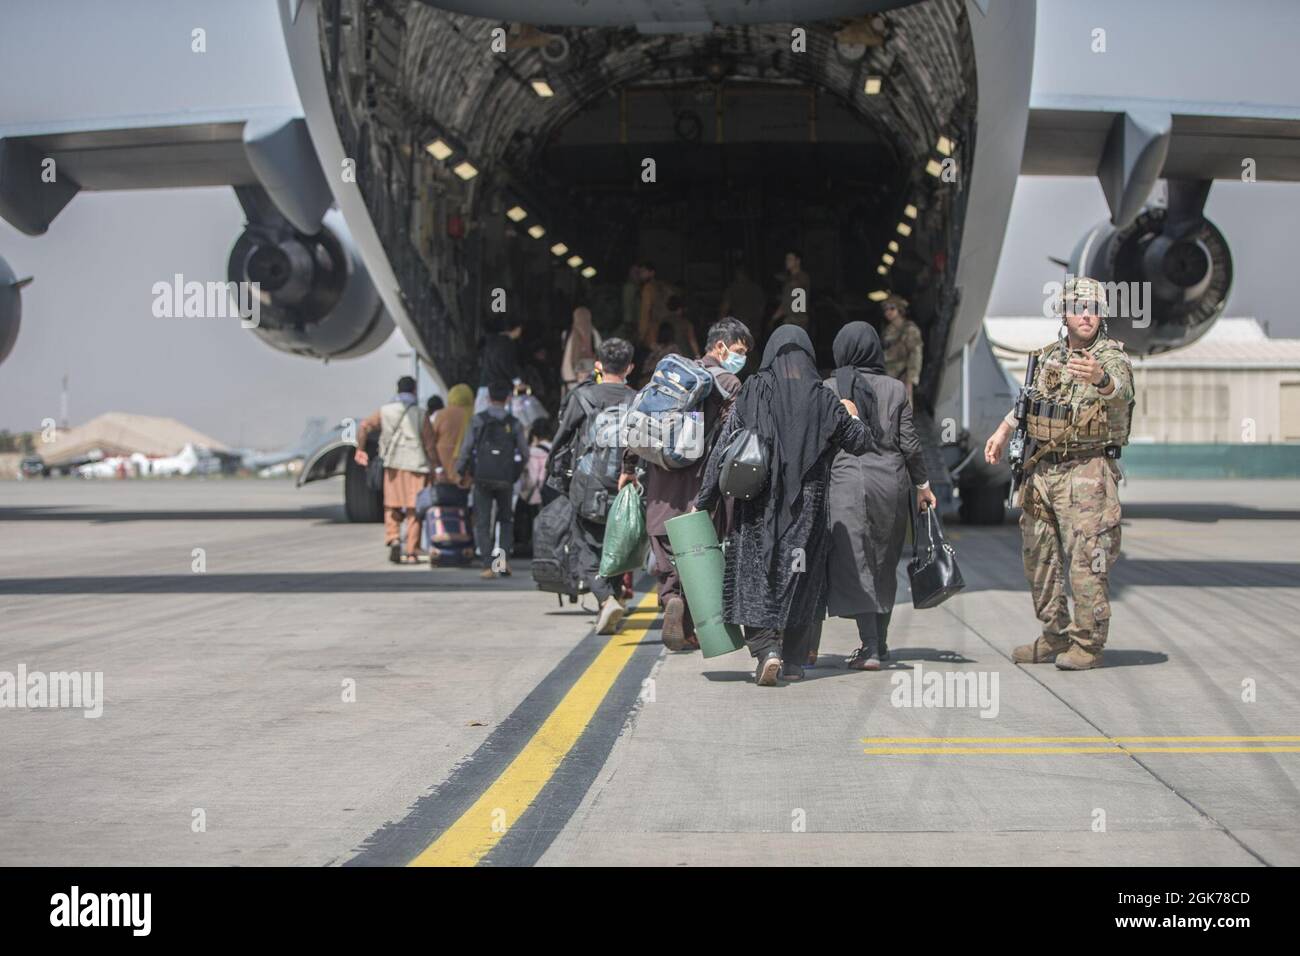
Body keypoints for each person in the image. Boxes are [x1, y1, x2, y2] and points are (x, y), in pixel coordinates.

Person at [694, 325, 869, 686]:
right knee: (801, 582)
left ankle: (764, 651)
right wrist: (850, 414)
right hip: (807, 509)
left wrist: (705, 500)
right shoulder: (823, 399)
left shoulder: (753, 391)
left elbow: (724, 449)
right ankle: (791, 661)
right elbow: (860, 443)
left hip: (757, 506)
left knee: (753, 579)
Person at [983, 275, 1134, 671]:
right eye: (1079, 308)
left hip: (1087, 472)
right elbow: (1028, 403)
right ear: (1064, 313)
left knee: (1087, 559)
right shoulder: (1049, 355)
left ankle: (1087, 644)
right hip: (1042, 472)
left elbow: (1120, 391)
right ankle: (1054, 635)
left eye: (1095, 309)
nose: (1087, 315)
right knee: (1040, 557)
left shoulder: (1110, 358)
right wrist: (1002, 432)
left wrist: (1099, 379)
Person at [619, 316, 753, 651]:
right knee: (698, 548)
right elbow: (732, 438)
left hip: (661, 479)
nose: (741, 357)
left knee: (664, 541)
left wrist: (629, 466)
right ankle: (688, 617)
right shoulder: (729, 384)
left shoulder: (672, 374)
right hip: (700, 483)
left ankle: (670, 599)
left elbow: (642, 418)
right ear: (719, 346)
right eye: (738, 350)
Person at [823, 322, 936, 671]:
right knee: (884, 562)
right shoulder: (896, 389)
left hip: (846, 482)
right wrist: (922, 485)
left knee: (855, 562)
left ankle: (870, 646)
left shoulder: (829, 387)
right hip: (892, 482)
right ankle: (881, 643)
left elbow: (821, 442)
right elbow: (910, 444)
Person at [550, 337, 638, 634]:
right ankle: (610, 599)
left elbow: (562, 440)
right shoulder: (638, 399)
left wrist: (556, 476)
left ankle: (604, 596)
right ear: (630, 367)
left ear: (598, 365)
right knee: (617, 543)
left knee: (584, 543)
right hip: (627, 484)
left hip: (588, 484)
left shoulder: (582, 397)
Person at [354, 375, 437, 564]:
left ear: (397, 391)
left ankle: (394, 538)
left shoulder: (384, 411)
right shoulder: (420, 413)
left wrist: (360, 449)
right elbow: (430, 444)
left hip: (392, 465)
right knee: (413, 510)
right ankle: (411, 552)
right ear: (414, 391)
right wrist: (435, 466)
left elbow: (364, 426)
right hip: (416, 465)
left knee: (391, 505)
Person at [457, 380, 530, 579]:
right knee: (505, 520)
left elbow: (466, 449)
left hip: (482, 477)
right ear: (508, 399)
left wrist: (461, 470)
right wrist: (516, 470)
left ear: (488, 398)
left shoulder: (478, 420)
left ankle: (488, 566)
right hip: (505, 478)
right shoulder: (514, 423)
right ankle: (502, 561)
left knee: (482, 521)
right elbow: (524, 453)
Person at [881, 295, 923, 404]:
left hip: (902, 375)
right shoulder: (887, 331)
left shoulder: (909, 329)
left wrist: (911, 378)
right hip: (888, 375)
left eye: (892, 308)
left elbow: (916, 353)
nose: (888, 312)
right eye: (886, 309)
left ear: (900, 309)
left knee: (903, 412)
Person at [477, 317, 525, 412]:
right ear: (516, 329)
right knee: (502, 419)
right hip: (499, 390)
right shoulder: (506, 343)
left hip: (484, 386)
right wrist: (517, 382)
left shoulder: (489, 341)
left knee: (482, 418)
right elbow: (506, 364)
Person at [560, 306, 602, 397]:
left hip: (571, 379)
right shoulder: (594, 333)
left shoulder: (567, 334)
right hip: (588, 379)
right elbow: (601, 353)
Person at [635, 262, 676, 353]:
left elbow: (645, 313)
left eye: (643, 272)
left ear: (652, 273)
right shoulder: (664, 287)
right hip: (666, 331)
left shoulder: (648, 289)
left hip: (652, 333)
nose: (641, 275)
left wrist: (641, 335)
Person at [769, 250, 811, 334]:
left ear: (797, 261)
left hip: (798, 322)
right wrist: (773, 318)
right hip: (790, 322)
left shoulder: (802, 277)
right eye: (786, 259)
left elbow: (798, 284)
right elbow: (785, 304)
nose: (787, 262)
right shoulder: (789, 282)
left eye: (790, 259)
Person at [719, 262, 766, 330]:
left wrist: (720, 324)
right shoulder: (756, 288)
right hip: (754, 324)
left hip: (740, 324)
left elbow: (725, 308)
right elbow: (762, 307)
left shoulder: (732, 289)